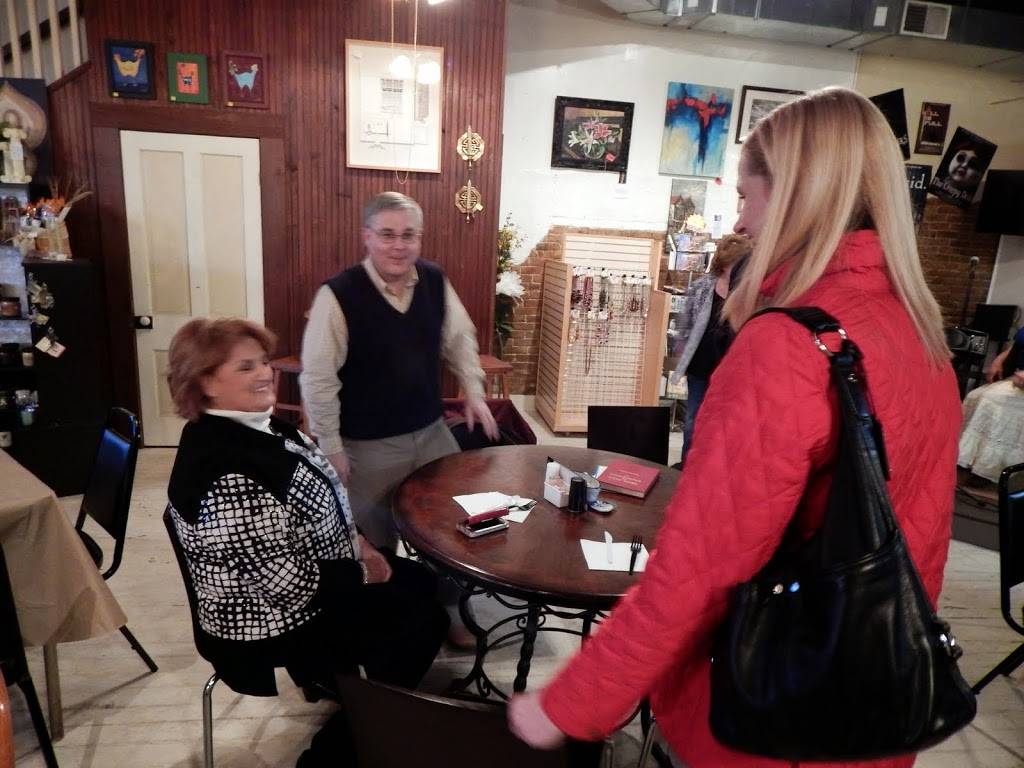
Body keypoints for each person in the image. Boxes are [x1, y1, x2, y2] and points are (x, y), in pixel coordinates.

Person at [508, 86, 960, 768]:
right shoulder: (920, 333)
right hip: (876, 692)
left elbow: (699, 571)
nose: (742, 222)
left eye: (748, 196)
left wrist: (571, 704)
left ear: (798, 193)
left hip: (771, 711)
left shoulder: (788, 346)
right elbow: (923, 535)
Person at [164, 318, 449, 768]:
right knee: (422, 619)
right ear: (205, 383)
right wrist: (364, 571)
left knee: (420, 581)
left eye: (263, 362)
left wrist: (361, 544)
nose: (265, 373)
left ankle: (347, 685)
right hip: (271, 621)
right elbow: (288, 586)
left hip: (315, 578)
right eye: (245, 367)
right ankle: (341, 747)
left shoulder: (258, 428)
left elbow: (327, 499)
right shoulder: (226, 471)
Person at [299, 191, 498, 645]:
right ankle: (388, 632)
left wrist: (474, 391)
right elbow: (318, 378)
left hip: (430, 431)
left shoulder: (434, 281)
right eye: (387, 234)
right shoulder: (339, 295)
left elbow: (460, 339)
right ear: (367, 237)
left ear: (419, 238)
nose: (398, 245)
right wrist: (331, 446)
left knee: (453, 527)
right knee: (375, 539)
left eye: (408, 235)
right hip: (366, 444)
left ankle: (450, 610)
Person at [670, 233, 751, 465]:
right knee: (693, 422)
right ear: (723, 263)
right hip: (701, 364)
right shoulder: (702, 287)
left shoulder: (747, 291)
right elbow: (685, 323)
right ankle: (688, 467)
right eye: (734, 264)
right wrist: (681, 353)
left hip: (731, 369)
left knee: (724, 424)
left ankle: (710, 468)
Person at [958, 325, 1024, 483]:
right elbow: (1017, 344)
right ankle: (969, 460)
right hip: (1018, 378)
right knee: (975, 396)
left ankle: (990, 470)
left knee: (993, 401)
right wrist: (999, 360)